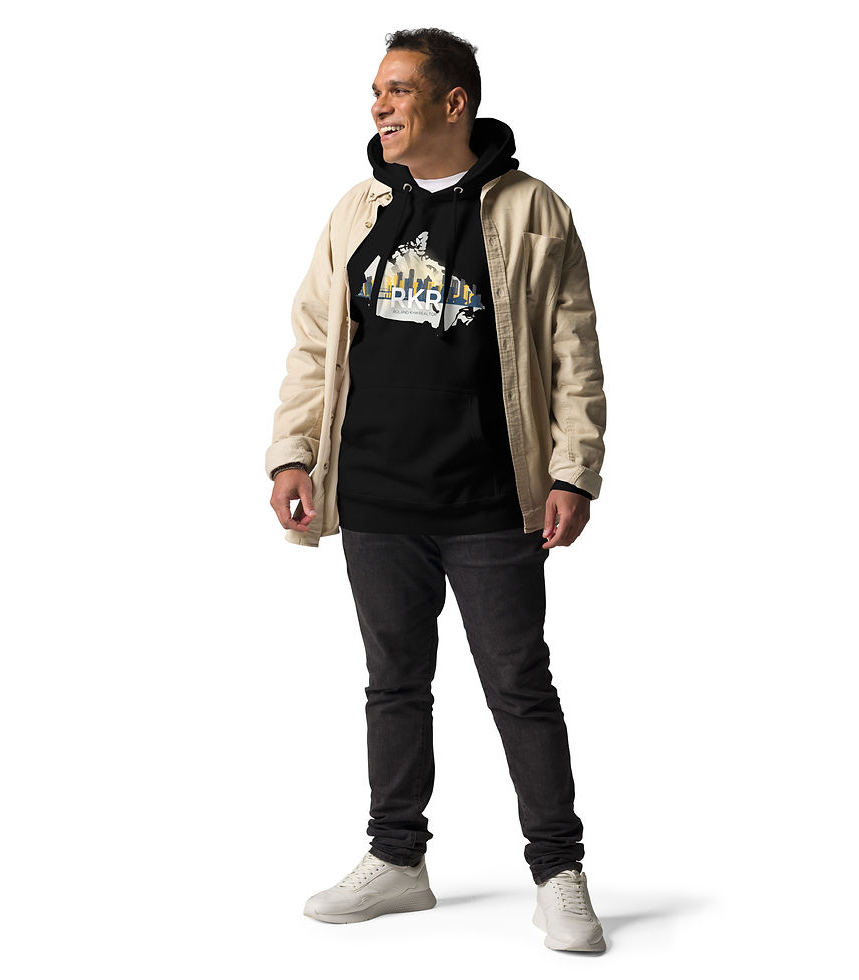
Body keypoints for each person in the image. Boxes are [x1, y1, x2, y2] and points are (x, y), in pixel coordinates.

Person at [266, 28, 607, 953]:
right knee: (393, 685)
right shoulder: (358, 208)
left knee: (519, 686)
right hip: (376, 495)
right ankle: (397, 859)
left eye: (398, 89)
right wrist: (293, 454)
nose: (379, 105)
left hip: (492, 498)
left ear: (454, 103)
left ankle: (559, 872)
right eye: (376, 91)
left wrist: (573, 470)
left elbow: (574, 353)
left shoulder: (532, 210)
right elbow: (314, 342)